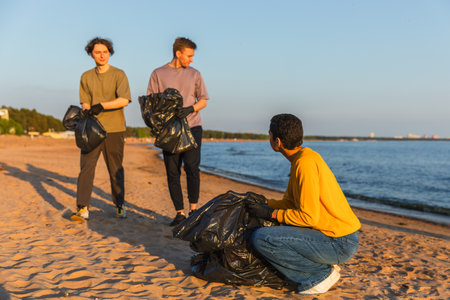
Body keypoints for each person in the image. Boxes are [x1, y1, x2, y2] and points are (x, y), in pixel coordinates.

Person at [246, 114, 361, 295]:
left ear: (277, 141)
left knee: (262, 238)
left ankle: (319, 274)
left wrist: (271, 213)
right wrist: (265, 203)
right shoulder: (302, 158)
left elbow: (308, 217)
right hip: (334, 235)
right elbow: (290, 203)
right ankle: (318, 266)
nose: (268, 139)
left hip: (339, 241)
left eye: (269, 135)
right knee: (278, 225)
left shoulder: (304, 164)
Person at [147, 37, 209, 226]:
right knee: (172, 172)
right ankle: (180, 213)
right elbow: (151, 102)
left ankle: (194, 210)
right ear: (178, 53)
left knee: (192, 167)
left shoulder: (195, 74)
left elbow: (204, 99)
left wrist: (191, 109)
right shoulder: (158, 73)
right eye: (189, 56)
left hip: (193, 126)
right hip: (169, 130)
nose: (191, 59)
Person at [74, 37, 131, 220]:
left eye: (105, 52)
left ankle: (119, 205)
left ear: (110, 53)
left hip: (114, 129)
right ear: (91, 54)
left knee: (115, 168)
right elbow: (85, 103)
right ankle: (82, 207)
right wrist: (86, 112)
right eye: (97, 52)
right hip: (91, 130)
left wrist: (101, 106)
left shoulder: (119, 74)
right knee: (86, 167)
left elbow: (124, 100)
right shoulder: (86, 76)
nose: (102, 55)